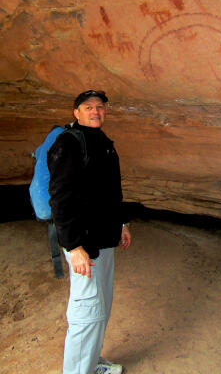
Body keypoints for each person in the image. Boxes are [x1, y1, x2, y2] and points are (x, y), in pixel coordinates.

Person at [47, 89, 131, 374]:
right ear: (76, 113)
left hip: (103, 240)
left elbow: (110, 191)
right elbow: (60, 198)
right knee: (86, 313)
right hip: (84, 245)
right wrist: (73, 248)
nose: (95, 111)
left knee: (101, 307)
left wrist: (122, 224)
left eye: (100, 107)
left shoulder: (103, 142)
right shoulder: (68, 143)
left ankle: (92, 363)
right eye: (88, 107)